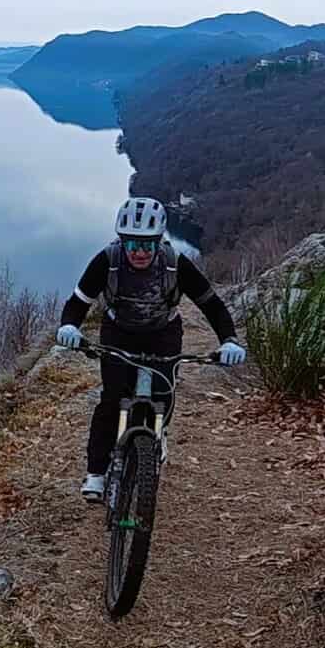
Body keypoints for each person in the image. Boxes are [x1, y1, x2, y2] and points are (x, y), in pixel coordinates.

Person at [54, 197, 244, 500]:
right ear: (122, 241)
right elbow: (79, 301)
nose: (139, 252)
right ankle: (96, 473)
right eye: (132, 245)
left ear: (159, 241)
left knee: (163, 392)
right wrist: (70, 326)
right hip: (119, 331)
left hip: (163, 332)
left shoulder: (175, 263)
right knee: (112, 399)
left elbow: (211, 304)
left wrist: (229, 339)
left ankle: (159, 431)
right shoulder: (108, 260)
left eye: (147, 245)